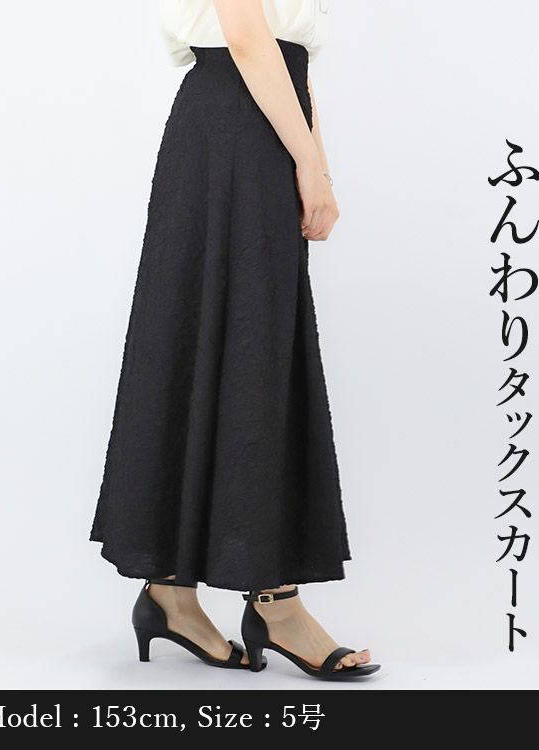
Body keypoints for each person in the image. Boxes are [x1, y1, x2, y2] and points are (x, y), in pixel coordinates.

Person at [89, 0, 379, 679]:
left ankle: (176, 594)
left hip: (268, 123)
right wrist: (310, 164)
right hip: (233, 124)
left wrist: (316, 163)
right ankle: (267, 604)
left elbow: (291, 62)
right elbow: (247, 38)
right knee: (239, 343)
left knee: (256, 345)